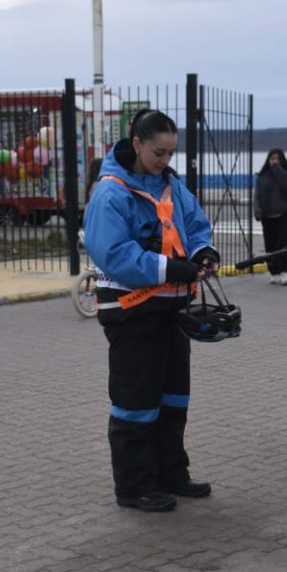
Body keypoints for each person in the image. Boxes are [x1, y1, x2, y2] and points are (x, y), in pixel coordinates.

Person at [83, 109, 221, 513]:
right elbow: (113, 253)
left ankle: (171, 474)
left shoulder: (170, 186)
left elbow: (194, 225)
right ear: (137, 143)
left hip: (172, 308)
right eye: (158, 152)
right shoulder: (110, 193)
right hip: (132, 312)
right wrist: (169, 269)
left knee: (173, 397)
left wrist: (202, 252)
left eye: (170, 153)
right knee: (136, 401)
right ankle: (134, 486)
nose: (164, 160)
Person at [253, 148, 287, 285]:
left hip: (285, 214)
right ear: (268, 160)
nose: (275, 161)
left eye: (277, 159)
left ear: (282, 160)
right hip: (267, 215)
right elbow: (257, 195)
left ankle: (284, 271)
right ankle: (273, 272)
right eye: (272, 159)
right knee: (270, 245)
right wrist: (258, 211)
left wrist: (278, 170)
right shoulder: (262, 176)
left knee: (282, 244)